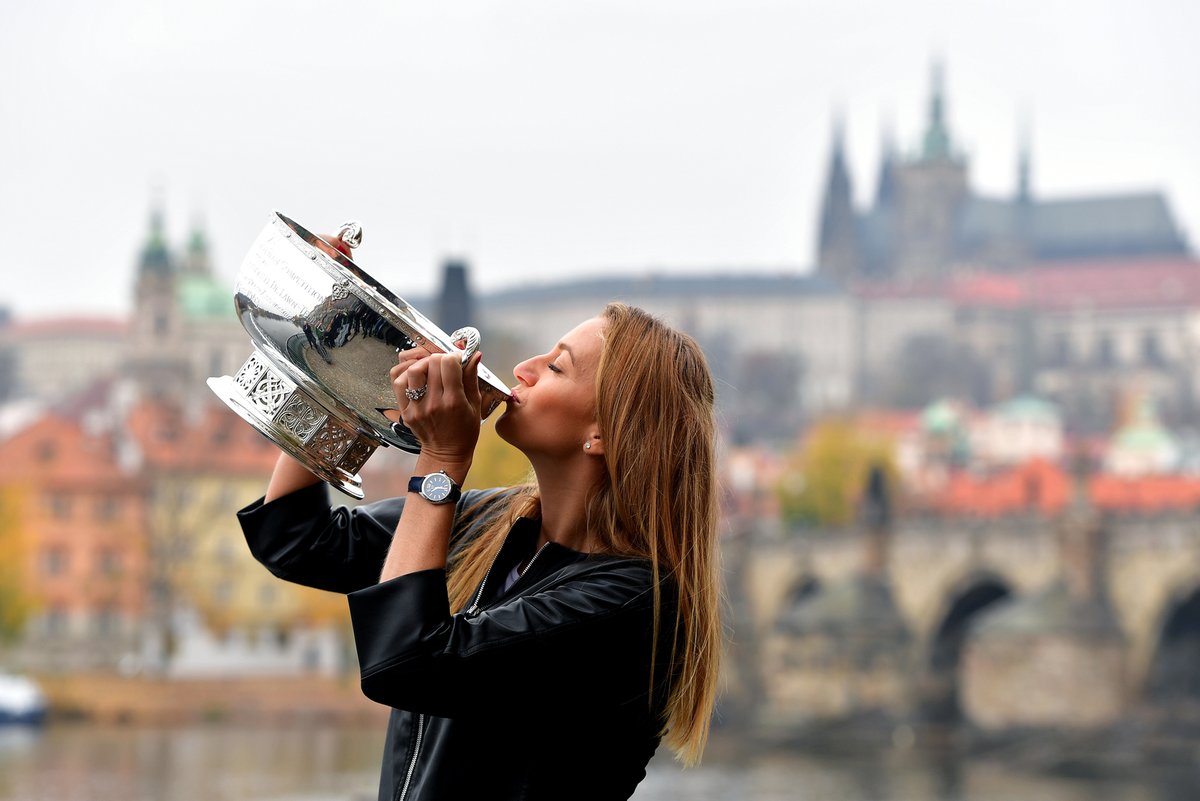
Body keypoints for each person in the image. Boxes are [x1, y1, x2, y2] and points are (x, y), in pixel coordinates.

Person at [237, 282, 721, 800]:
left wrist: (442, 460)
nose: (523, 369)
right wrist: (336, 365)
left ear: (601, 433)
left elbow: (407, 665)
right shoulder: (489, 521)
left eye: (556, 367)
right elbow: (294, 538)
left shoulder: (632, 602)